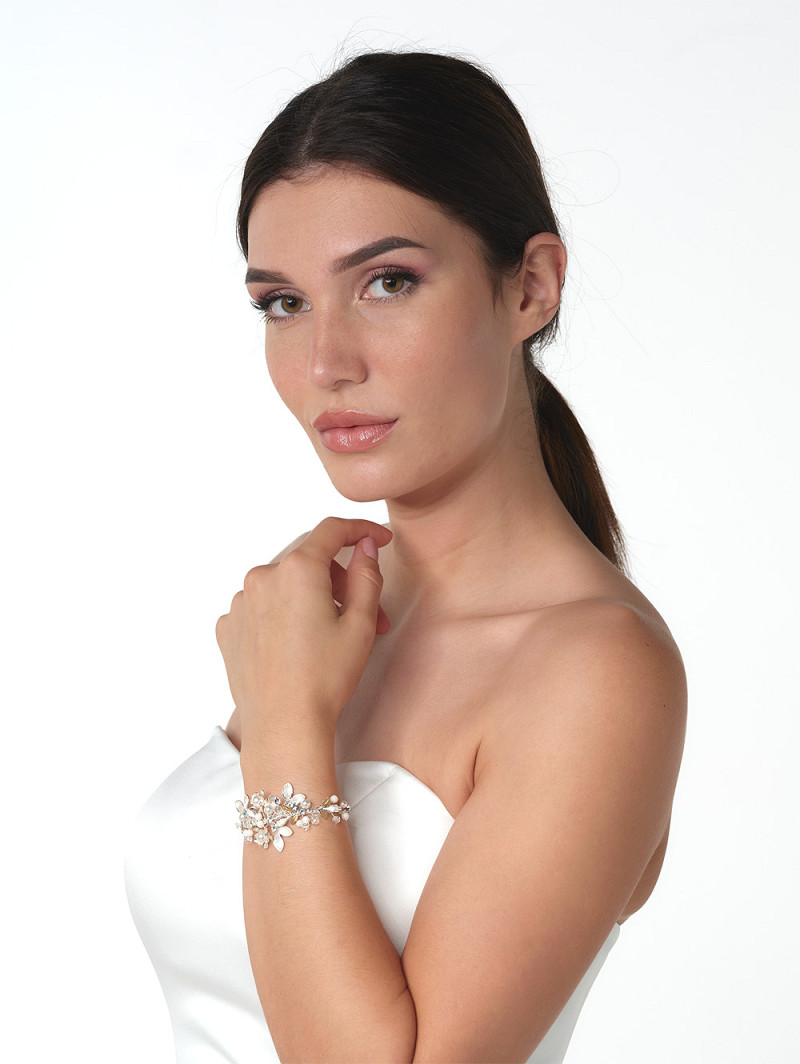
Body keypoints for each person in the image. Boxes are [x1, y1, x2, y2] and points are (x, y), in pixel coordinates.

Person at [125, 49, 687, 1063]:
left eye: (387, 282)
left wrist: (286, 722)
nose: (325, 362)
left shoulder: (594, 670)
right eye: (282, 302)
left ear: (531, 287)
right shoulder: (318, 619)